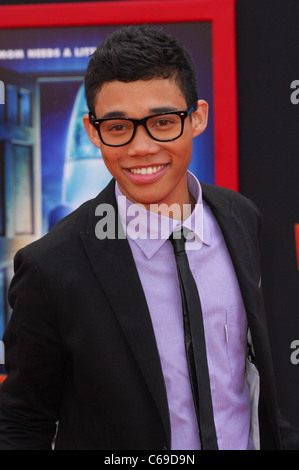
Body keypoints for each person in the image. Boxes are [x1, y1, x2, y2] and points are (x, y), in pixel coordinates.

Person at [0, 25, 298, 451]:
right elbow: (22, 425)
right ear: (92, 130)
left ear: (197, 118)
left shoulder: (239, 218)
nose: (141, 147)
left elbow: (246, 381)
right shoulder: (51, 267)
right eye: (118, 127)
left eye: (162, 122)